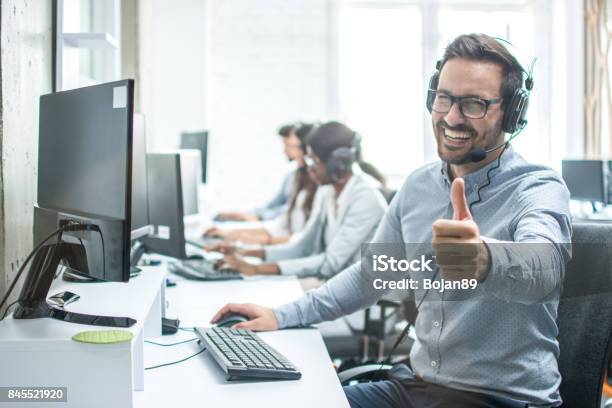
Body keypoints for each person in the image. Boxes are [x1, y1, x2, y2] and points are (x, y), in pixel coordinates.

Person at [211, 34, 572, 407]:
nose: (450, 117)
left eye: (474, 105)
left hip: (501, 400)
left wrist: (484, 259)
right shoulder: (418, 186)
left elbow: (545, 267)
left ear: (511, 113)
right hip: (416, 389)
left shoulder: (537, 187)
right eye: (444, 98)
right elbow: (370, 275)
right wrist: (280, 315)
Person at [207, 121, 388, 279]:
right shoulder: (327, 192)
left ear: (336, 164)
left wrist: (256, 269)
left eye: (314, 161)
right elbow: (303, 247)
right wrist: (245, 253)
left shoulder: (365, 198)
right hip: (334, 285)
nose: (309, 169)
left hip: (359, 301)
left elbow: (331, 263)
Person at [205, 123, 318, 244]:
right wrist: (231, 231)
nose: (289, 151)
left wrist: (249, 233)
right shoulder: (296, 177)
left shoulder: (318, 190)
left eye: (293, 146)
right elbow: (279, 223)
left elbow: (299, 239)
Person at [215, 123, 302, 222]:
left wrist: (260, 217)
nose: (285, 150)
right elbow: (273, 204)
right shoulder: (291, 176)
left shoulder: (311, 179)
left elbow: (291, 210)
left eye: (289, 146)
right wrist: (244, 214)